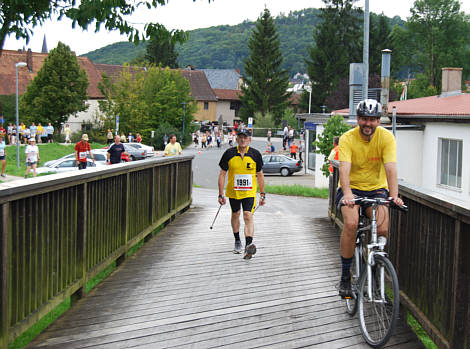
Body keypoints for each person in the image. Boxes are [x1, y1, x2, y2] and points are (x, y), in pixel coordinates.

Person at [336, 99, 403, 299]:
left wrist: (394, 195)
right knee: (351, 223)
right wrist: (347, 193)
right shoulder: (347, 138)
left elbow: (391, 167)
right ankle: (345, 276)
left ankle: (374, 264)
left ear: (379, 121)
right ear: (358, 119)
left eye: (372, 120)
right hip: (352, 189)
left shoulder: (387, 138)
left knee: (382, 227)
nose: (368, 124)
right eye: (364, 119)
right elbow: (344, 167)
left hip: (376, 190)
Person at [217, 129, 266, 259]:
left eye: (245, 137)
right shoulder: (229, 153)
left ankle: (248, 245)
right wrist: (220, 194)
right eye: (240, 137)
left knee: (247, 215)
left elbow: (260, 175)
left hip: (249, 192)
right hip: (233, 192)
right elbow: (222, 174)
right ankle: (237, 240)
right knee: (236, 214)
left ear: (249, 139)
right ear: (237, 139)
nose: (243, 140)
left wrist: (262, 194)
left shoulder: (255, 154)